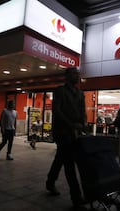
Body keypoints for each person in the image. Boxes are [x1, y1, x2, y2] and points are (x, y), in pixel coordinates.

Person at [45, 67, 87, 208]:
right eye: (74, 73)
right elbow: (57, 111)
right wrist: (72, 125)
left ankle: (50, 182)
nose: (77, 76)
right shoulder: (60, 91)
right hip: (63, 132)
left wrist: (83, 124)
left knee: (60, 158)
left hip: (75, 133)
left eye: (77, 74)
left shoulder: (81, 94)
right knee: (69, 163)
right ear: (67, 76)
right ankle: (76, 197)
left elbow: (83, 112)